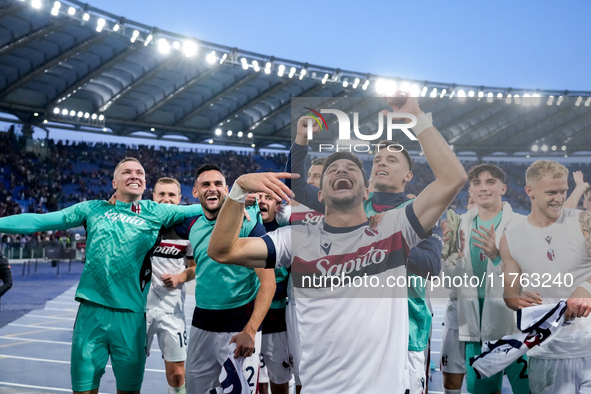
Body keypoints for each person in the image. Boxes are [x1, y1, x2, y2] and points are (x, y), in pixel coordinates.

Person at [207, 94, 467, 393]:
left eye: (351, 169)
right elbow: (222, 250)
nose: (342, 170)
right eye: (332, 170)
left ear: (365, 187)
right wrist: (238, 190)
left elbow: (452, 179)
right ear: (319, 194)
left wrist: (416, 116)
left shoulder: (395, 228)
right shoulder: (297, 239)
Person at [0, 157, 203, 394]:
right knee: (83, 390)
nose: (134, 175)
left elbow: (204, 207)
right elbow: (40, 220)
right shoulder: (92, 208)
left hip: (131, 317)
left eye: (139, 172)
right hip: (90, 314)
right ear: (114, 182)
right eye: (127, 172)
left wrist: (241, 203)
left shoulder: (156, 211)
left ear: (145, 183)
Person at [287, 113, 443, 393]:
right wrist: (301, 139)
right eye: (378, 160)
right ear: (368, 174)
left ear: (408, 176)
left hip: (407, 331)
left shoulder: (418, 212)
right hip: (350, 333)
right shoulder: (349, 205)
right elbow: (297, 186)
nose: (382, 162)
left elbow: (432, 265)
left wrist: (386, 238)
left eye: (392, 160)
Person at [175, 163, 275, 394]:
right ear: (195, 192)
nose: (213, 189)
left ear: (228, 190)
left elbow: (268, 283)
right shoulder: (191, 225)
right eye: (206, 184)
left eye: (218, 184)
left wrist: (250, 330)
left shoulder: (250, 226)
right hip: (202, 322)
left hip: (239, 324)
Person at [501, 160, 591, 394]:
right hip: (547, 350)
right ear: (529, 191)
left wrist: (586, 287)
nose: (559, 198)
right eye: (551, 192)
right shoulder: (510, 237)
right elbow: (510, 293)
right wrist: (516, 300)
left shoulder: (584, 221)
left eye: (563, 191)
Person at [441, 164, 528, 394]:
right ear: (470, 190)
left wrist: (498, 259)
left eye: (491, 182)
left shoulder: (521, 225)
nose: (483, 188)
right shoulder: (459, 224)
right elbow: (450, 284)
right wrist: (454, 259)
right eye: (477, 183)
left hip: (514, 329)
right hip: (475, 330)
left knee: (530, 390)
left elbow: (531, 278)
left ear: (504, 188)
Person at [147, 177, 196, 394]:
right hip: (140, 310)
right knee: (132, 369)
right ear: (153, 197)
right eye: (161, 194)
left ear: (179, 199)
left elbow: (196, 268)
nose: (166, 199)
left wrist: (180, 278)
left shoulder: (188, 231)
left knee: (177, 375)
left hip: (172, 310)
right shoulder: (141, 226)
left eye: (171, 195)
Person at [256, 192, 291, 394]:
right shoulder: (244, 230)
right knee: (255, 381)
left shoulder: (286, 234)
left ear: (278, 206)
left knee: (279, 380)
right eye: (259, 196)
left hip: (275, 317)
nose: (262, 201)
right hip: (246, 316)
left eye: (268, 198)